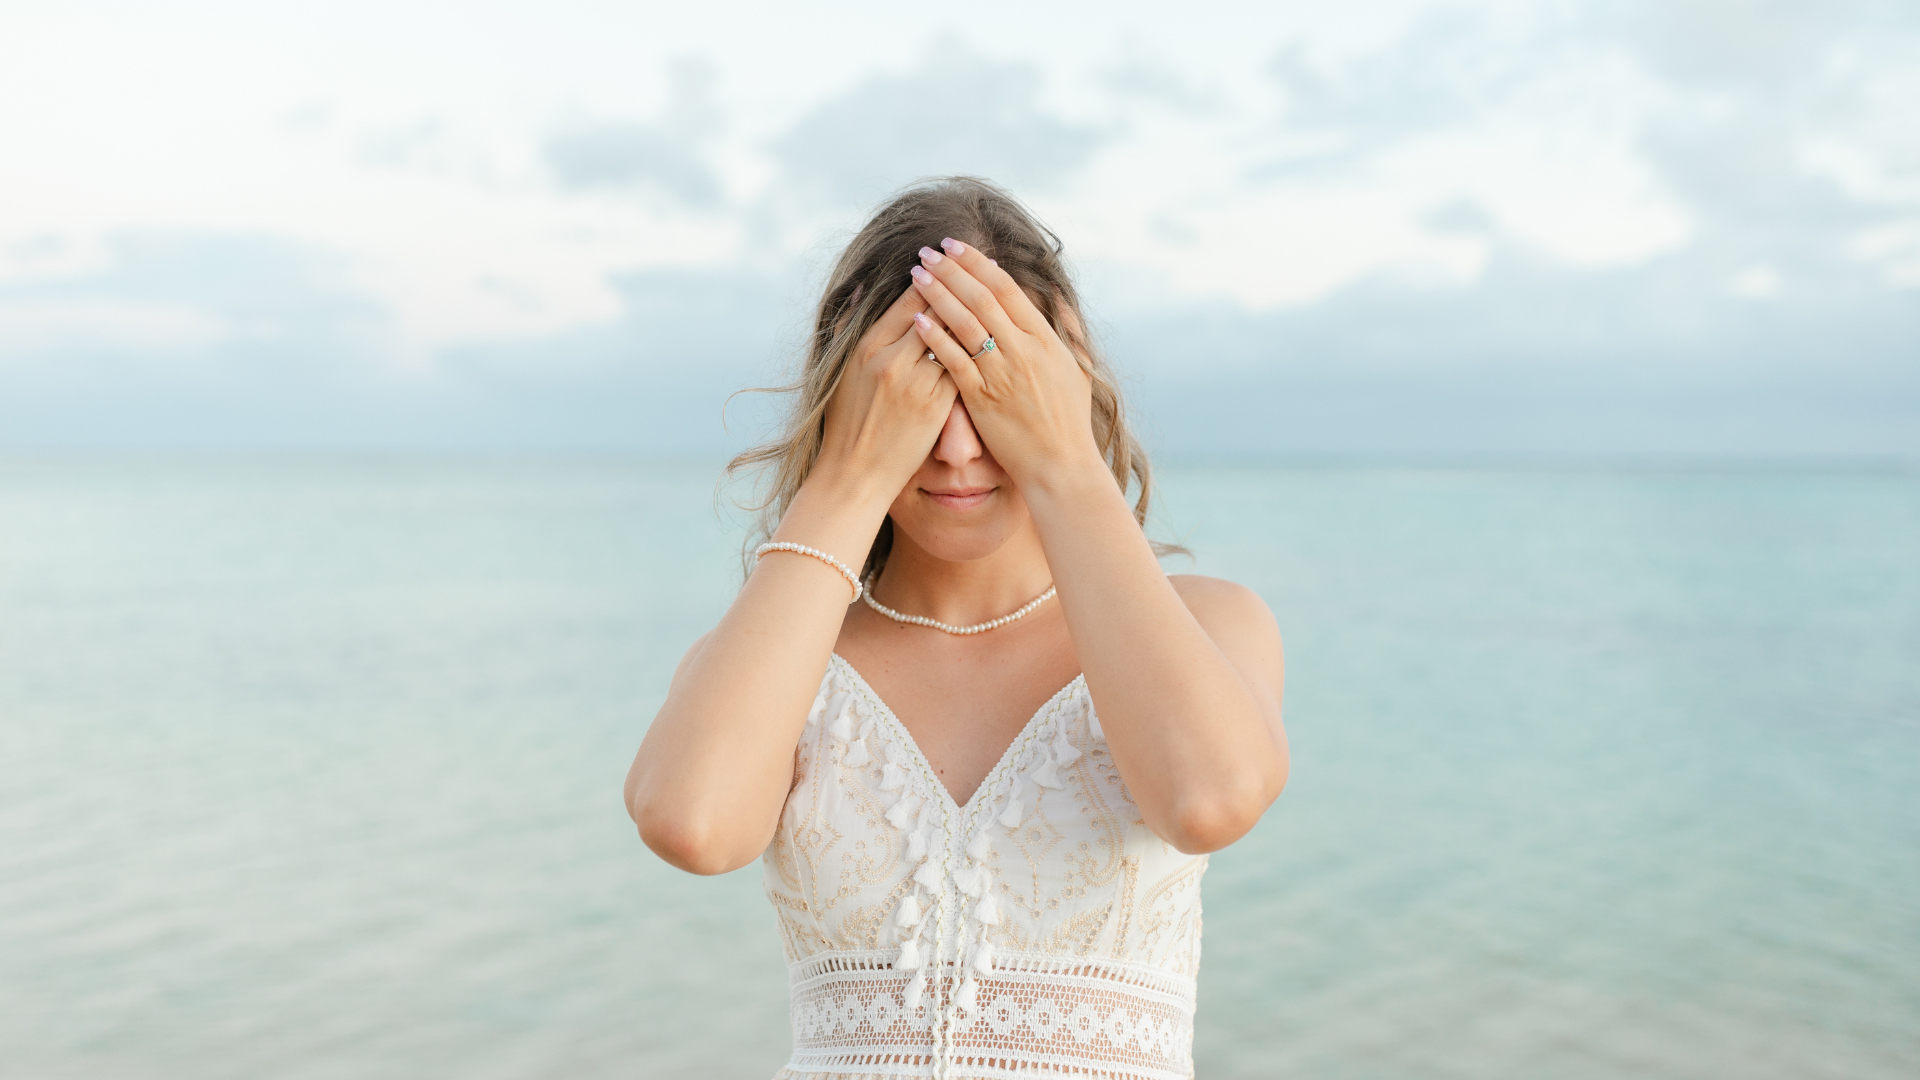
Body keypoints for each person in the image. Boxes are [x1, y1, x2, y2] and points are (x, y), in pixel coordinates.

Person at [623, 176, 1288, 1079]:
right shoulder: (778, 660)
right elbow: (692, 825)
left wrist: (1063, 457)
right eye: (921, 400)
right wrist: (852, 475)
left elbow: (1207, 800)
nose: (959, 451)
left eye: (995, 396)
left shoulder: (1210, 624)